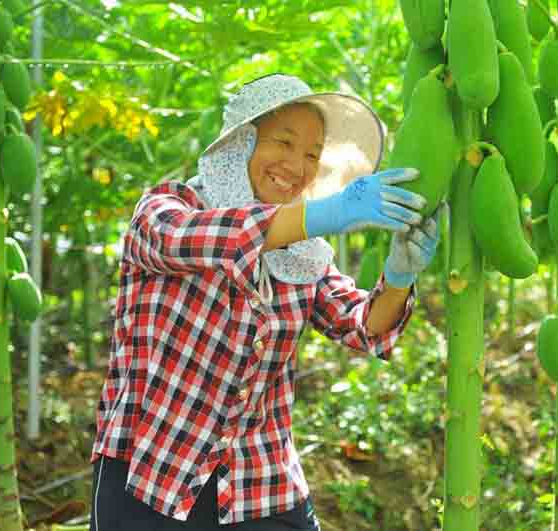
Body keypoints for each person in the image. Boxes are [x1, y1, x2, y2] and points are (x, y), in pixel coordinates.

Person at [89, 73, 440, 530]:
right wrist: (330, 213)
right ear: (240, 142)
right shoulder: (167, 208)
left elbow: (363, 326)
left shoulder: (304, 256)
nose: (298, 165)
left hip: (259, 481)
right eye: (284, 143)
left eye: (313, 154)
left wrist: (398, 276)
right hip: (152, 471)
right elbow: (196, 240)